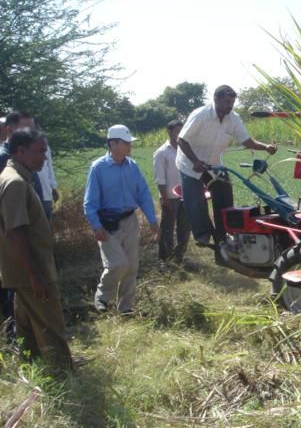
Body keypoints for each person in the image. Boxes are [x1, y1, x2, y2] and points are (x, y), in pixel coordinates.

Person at [175, 85, 277, 264]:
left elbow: (246, 140)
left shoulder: (234, 118)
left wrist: (265, 147)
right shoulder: (201, 115)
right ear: (216, 99)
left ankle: (224, 236)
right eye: (227, 102)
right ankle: (203, 235)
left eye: (232, 102)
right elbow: (181, 140)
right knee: (195, 200)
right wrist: (195, 162)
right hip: (190, 164)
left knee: (225, 196)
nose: (230, 106)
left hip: (214, 164)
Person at [0, 128, 73, 371]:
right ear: (20, 151)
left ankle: (33, 369)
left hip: (25, 270)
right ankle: (64, 375)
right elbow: (15, 232)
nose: (44, 157)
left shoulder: (16, 177)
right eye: (39, 151)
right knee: (52, 325)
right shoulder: (15, 183)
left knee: (28, 325)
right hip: (33, 270)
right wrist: (34, 275)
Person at [83, 124, 159, 314]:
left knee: (131, 267)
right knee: (118, 264)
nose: (129, 146)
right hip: (108, 224)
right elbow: (90, 202)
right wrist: (96, 226)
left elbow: (143, 194)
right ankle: (102, 297)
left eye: (129, 143)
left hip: (130, 221)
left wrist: (152, 220)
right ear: (113, 143)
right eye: (125, 143)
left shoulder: (132, 166)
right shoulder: (98, 168)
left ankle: (126, 308)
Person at [0, 112, 43, 342]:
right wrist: (32, 271)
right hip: (15, 241)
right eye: (26, 129)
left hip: (29, 235)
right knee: (15, 292)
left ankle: (25, 343)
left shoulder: (27, 160)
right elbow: (13, 226)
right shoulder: (7, 165)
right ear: (10, 130)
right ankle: (14, 339)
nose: (31, 134)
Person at [153, 119, 190, 265]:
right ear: (169, 132)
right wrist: (165, 198)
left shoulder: (186, 150)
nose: (180, 134)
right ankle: (164, 259)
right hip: (170, 197)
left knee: (185, 227)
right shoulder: (161, 153)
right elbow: (160, 178)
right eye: (177, 131)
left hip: (185, 196)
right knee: (167, 228)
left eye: (182, 131)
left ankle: (179, 257)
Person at [38, 142, 59, 221]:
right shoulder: (22, 147)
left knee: (47, 227)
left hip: (46, 193)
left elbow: (50, 167)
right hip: (32, 196)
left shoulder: (45, 146)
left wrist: (54, 187)